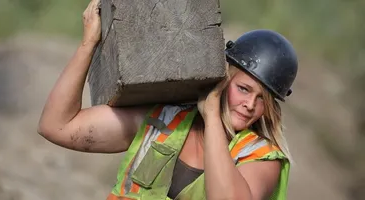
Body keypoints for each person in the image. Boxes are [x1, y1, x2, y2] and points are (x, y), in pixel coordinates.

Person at [37, 0, 298, 199]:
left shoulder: (263, 158)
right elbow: (57, 126)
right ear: (225, 78)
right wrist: (88, 45)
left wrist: (212, 118)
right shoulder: (164, 121)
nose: (250, 104)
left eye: (262, 99)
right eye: (243, 89)